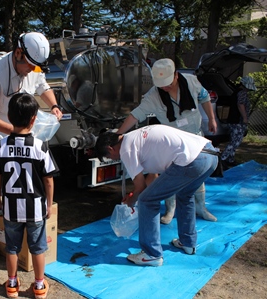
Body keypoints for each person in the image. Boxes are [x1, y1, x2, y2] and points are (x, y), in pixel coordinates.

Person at [0, 32, 63, 262]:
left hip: (19, 132)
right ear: (18, 53)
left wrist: (54, 106)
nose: (31, 70)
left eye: (35, 67)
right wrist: (11, 130)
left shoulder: (32, 67)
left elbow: (43, 87)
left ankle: (11, 239)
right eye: (29, 65)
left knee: (24, 187)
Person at [95, 124, 218, 266]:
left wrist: (131, 201)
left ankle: (152, 254)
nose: (114, 159)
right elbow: (151, 177)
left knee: (146, 201)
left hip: (191, 161)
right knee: (185, 195)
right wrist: (134, 195)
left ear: (111, 148)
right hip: (210, 155)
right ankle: (188, 243)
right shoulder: (136, 136)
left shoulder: (126, 149)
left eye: (109, 156)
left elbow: (140, 187)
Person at [115, 58, 217, 224]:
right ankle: (170, 209)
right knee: (169, 178)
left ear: (176, 75)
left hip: (194, 138)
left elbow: (205, 98)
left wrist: (212, 119)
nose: (165, 87)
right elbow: (136, 114)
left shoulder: (191, 81)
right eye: (161, 84)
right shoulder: (153, 95)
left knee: (197, 176)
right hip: (172, 145)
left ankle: (201, 207)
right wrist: (119, 134)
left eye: (167, 83)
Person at [0, 93, 58, 299]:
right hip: (35, 207)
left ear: (9, 117)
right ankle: (38, 285)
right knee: (37, 248)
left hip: (10, 207)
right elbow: (48, 180)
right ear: (34, 119)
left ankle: (11, 284)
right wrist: (49, 204)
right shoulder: (40, 147)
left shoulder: (1, 146)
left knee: (12, 247)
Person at [220, 75, 254, 169]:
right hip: (237, 121)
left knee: (235, 140)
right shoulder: (242, 93)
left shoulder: (236, 92)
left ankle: (230, 159)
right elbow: (240, 104)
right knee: (235, 141)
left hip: (234, 120)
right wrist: (245, 117)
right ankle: (222, 159)